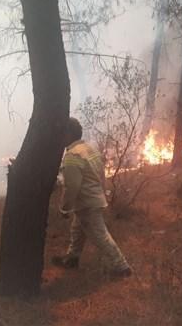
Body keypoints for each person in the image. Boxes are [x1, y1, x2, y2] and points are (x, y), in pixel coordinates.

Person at [52, 117, 132, 278]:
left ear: (68, 134)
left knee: (99, 234)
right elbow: (101, 175)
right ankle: (72, 259)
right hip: (94, 199)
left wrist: (65, 208)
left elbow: (72, 187)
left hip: (87, 203)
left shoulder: (73, 156)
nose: (59, 136)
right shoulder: (89, 148)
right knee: (77, 230)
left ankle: (121, 267)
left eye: (62, 133)